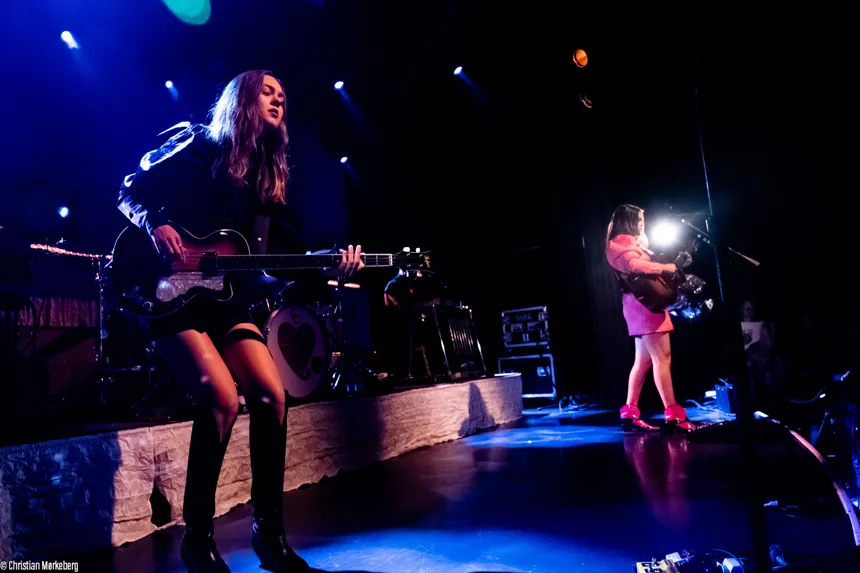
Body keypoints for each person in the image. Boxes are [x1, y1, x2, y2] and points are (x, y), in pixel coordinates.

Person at [117, 70, 364, 573]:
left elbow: (272, 266)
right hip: (169, 291)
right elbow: (129, 189)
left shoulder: (265, 177)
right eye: (268, 90)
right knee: (222, 399)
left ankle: (269, 538)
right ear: (243, 97)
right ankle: (197, 539)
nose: (278, 99)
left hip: (227, 302)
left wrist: (331, 266)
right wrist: (155, 222)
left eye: (284, 95)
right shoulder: (197, 143)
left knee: (272, 395)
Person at [605, 204, 695, 433]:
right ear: (629, 222)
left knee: (643, 362)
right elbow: (634, 266)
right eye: (640, 221)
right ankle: (674, 415)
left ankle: (630, 412)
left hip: (640, 304)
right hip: (645, 305)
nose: (643, 225)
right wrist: (666, 267)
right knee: (662, 359)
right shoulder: (619, 244)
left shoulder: (628, 244)